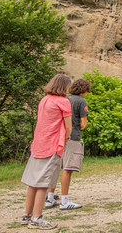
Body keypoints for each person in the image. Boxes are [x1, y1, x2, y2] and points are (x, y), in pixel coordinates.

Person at [21, 74, 72, 229]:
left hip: (38, 144)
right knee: (44, 183)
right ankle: (37, 218)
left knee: (33, 182)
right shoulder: (64, 102)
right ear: (64, 86)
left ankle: (27, 215)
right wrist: (66, 138)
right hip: (52, 145)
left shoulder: (44, 100)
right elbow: (68, 126)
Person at [45, 79, 91, 210]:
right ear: (84, 90)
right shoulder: (81, 101)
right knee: (68, 168)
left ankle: (50, 197)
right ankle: (64, 201)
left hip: (57, 137)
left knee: (55, 167)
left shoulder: (62, 98)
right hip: (72, 137)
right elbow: (83, 124)